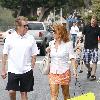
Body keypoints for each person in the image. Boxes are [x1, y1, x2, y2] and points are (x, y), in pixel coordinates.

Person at [1, 16, 38, 100]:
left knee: (24, 93)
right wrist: (3, 69)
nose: (27, 28)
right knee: (11, 91)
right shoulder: (10, 38)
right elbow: (5, 54)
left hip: (26, 70)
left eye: (27, 25)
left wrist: (32, 65)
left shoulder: (30, 38)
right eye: (24, 26)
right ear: (18, 26)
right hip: (13, 70)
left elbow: (34, 53)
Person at [46, 24, 78, 100]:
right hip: (53, 72)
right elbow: (50, 57)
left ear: (60, 33)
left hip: (64, 72)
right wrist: (47, 52)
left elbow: (72, 58)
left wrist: (74, 70)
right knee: (53, 95)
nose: (52, 33)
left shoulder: (68, 44)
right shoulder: (51, 43)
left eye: (54, 31)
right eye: (52, 31)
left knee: (66, 94)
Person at [82, 15, 100, 81]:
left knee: (94, 61)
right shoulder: (86, 27)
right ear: (91, 20)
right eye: (92, 20)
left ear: (96, 22)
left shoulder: (98, 29)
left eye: (94, 21)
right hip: (86, 47)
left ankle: (93, 75)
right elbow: (82, 35)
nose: (92, 22)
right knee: (86, 62)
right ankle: (89, 69)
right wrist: (80, 41)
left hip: (94, 47)